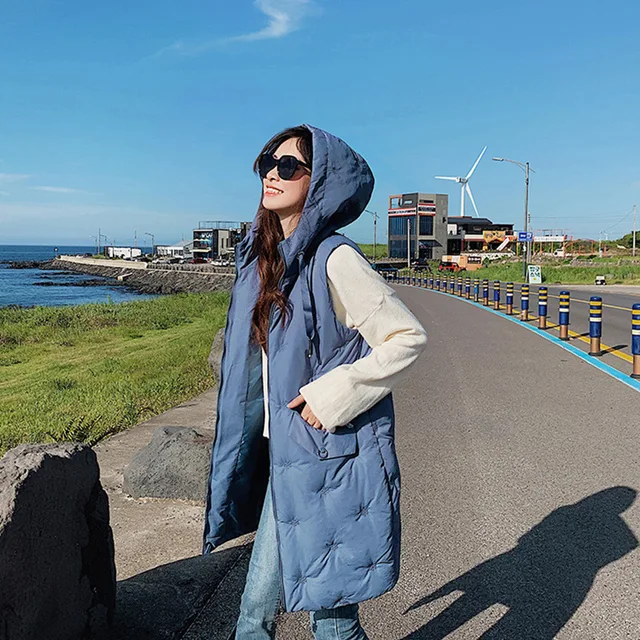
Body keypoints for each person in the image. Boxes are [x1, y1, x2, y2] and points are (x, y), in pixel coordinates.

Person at [202, 124, 428, 639]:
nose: (272, 174)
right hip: (287, 458)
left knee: (327, 622)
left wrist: (333, 395)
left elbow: (407, 337)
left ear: (320, 179)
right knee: (262, 614)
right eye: (267, 163)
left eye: (288, 166)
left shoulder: (335, 257)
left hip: (327, 460)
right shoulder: (267, 260)